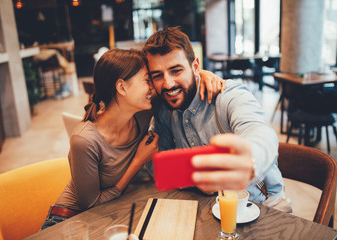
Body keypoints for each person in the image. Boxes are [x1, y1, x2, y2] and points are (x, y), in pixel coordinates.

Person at [41, 48, 225, 230]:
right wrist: (138, 160)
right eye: (147, 80)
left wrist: (201, 74)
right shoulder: (84, 140)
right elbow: (90, 205)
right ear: (122, 87)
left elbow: (175, 86)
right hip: (68, 222)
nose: (153, 86)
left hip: (109, 213)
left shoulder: (142, 112)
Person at [144, 27, 291, 211]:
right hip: (210, 208)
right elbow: (159, 165)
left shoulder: (227, 95)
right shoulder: (163, 108)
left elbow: (260, 131)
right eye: (157, 75)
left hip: (262, 204)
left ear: (196, 67)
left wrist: (250, 161)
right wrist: (193, 177)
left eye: (176, 71)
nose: (168, 84)